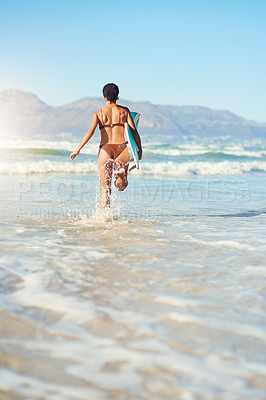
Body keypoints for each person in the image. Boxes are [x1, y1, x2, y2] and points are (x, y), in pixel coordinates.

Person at [70, 83, 142, 208]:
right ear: (117, 96)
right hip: (121, 147)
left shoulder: (98, 113)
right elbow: (134, 132)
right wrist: (139, 149)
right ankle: (121, 176)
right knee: (121, 186)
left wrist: (78, 149)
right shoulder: (124, 111)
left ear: (104, 96)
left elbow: (90, 132)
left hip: (105, 148)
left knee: (105, 190)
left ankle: (105, 219)